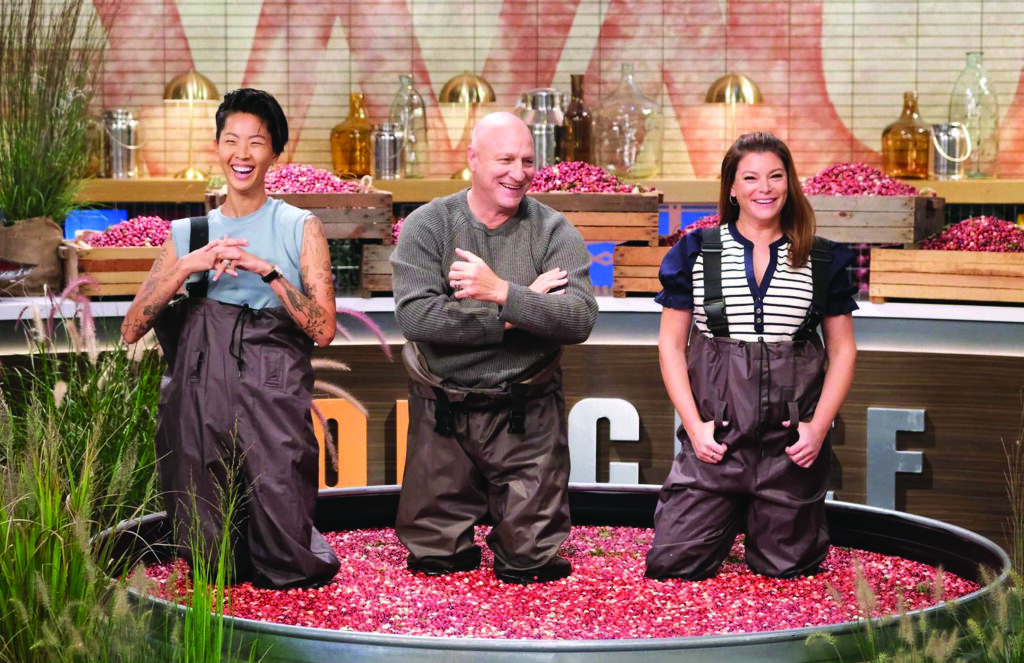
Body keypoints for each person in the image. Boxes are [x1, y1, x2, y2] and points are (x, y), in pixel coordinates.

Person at [121, 88, 340, 589]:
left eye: (256, 143)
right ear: (217, 147)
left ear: (275, 153)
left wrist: (269, 273)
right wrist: (186, 268)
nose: (242, 155)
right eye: (231, 140)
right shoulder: (189, 234)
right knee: (210, 557)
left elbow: (323, 329)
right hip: (197, 403)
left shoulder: (299, 226)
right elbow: (133, 327)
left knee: (284, 542)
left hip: (272, 395)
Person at [390, 111, 598, 584]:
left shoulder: (553, 231)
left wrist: (502, 290)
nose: (519, 172)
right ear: (472, 161)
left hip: (526, 414)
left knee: (532, 564)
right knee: (435, 562)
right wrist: (516, 311)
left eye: (528, 160)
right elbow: (417, 318)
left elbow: (578, 319)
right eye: (505, 159)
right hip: (442, 410)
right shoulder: (429, 225)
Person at [645, 132, 857, 581]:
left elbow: (842, 350)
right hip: (717, 442)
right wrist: (694, 426)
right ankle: (727, 513)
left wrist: (817, 429)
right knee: (672, 565)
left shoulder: (823, 259)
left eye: (776, 176)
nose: (765, 188)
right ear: (732, 188)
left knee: (788, 571)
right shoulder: (695, 252)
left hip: (789, 445)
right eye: (752, 178)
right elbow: (670, 345)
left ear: (789, 183)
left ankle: (768, 522)